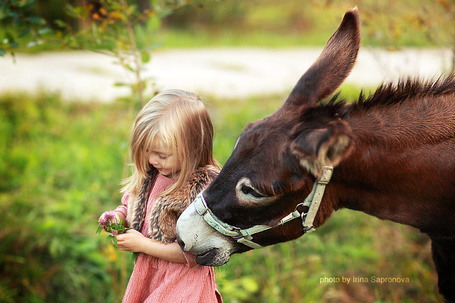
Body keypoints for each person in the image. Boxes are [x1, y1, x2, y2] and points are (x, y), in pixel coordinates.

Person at [100, 89, 222, 303]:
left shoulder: (202, 189)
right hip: (149, 275)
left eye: (162, 155)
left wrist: (142, 245)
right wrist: (118, 218)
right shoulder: (152, 175)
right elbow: (129, 207)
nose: (152, 159)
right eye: (147, 151)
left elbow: (193, 255)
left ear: (192, 148)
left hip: (182, 282)